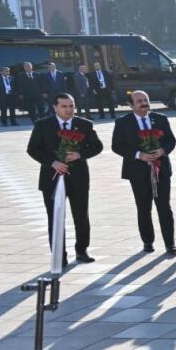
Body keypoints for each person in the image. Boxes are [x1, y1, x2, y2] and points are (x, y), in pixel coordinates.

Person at [26, 93, 102, 264]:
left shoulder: (84, 124)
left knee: (81, 216)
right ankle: (59, 256)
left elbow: (97, 146)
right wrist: (52, 163)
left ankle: (82, 251)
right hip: (51, 178)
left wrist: (79, 155)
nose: (69, 110)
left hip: (78, 178)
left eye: (71, 106)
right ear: (55, 107)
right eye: (64, 106)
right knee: (55, 217)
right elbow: (33, 149)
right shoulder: (43, 125)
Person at [111, 90, 176, 256]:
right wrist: (138, 155)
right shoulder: (123, 122)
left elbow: (170, 140)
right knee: (143, 207)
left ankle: (170, 243)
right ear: (131, 105)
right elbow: (117, 145)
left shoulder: (160, 119)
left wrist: (162, 151)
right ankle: (148, 241)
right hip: (137, 172)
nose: (143, 103)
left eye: (145, 100)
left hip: (161, 170)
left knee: (164, 207)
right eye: (139, 101)